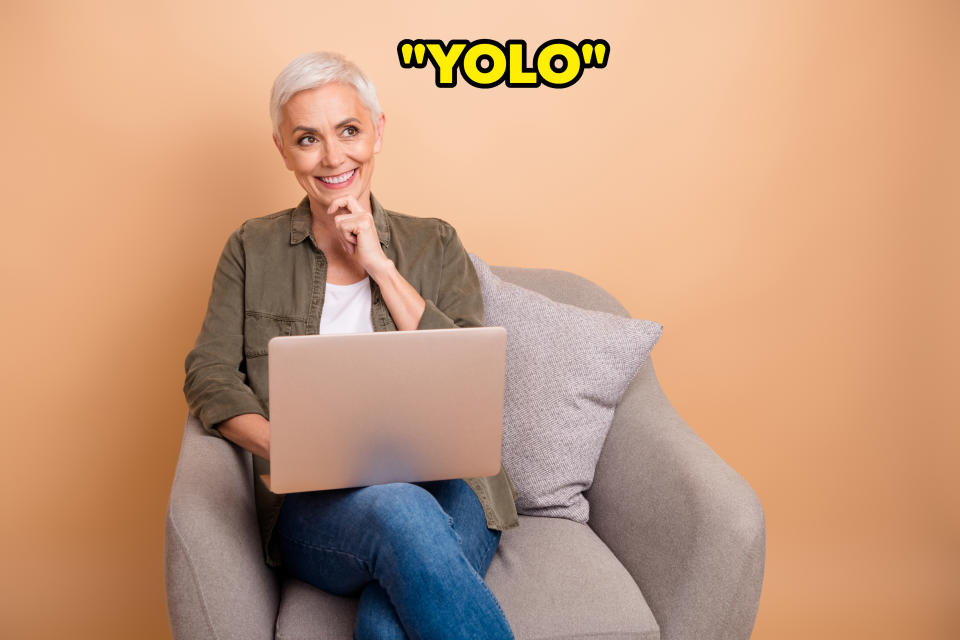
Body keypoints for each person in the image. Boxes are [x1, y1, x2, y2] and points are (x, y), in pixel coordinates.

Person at [182, 51, 519, 639]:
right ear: (283, 150)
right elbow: (209, 372)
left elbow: (470, 372)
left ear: (378, 131)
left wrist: (380, 268)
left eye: (349, 130)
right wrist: (286, 445)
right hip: (318, 503)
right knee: (400, 511)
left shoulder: (435, 243)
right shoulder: (250, 248)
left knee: (388, 622)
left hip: (449, 486)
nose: (333, 157)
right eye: (308, 139)